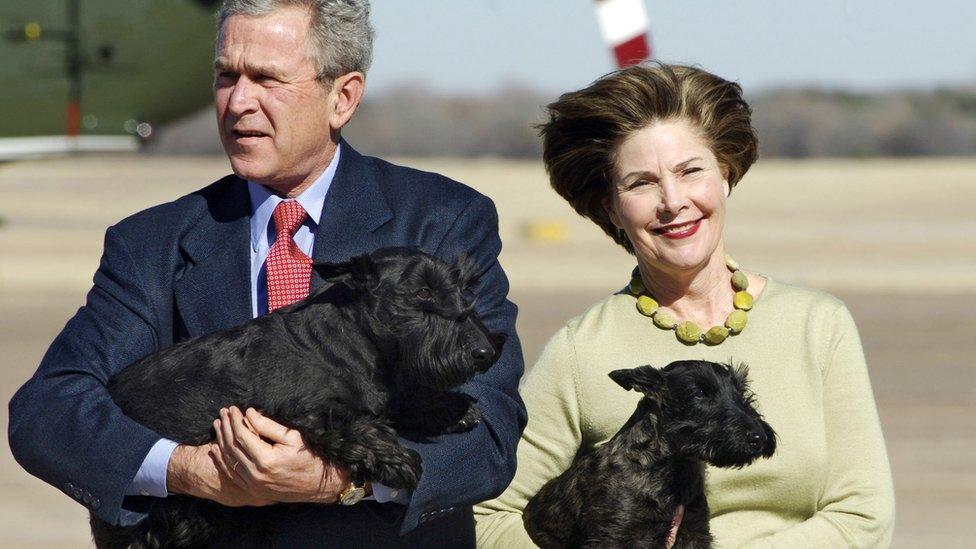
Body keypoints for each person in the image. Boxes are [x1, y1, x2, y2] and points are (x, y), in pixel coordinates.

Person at [8, 0, 526, 546]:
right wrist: (192, 470)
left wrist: (341, 480)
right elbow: (47, 410)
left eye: (267, 79)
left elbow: (488, 433)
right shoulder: (149, 244)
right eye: (226, 76)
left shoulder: (443, 221)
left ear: (342, 97)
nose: (238, 103)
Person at [473, 63, 894, 548]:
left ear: (725, 176)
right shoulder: (580, 349)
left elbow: (864, 514)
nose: (672, 201)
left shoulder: (818, 325)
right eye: (640, 183)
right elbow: (489, 513)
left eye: (690, 171)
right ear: (611, 207)